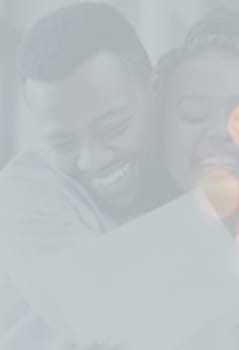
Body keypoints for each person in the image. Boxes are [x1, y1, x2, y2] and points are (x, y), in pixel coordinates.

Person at [0, 3, 173, 349]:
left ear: (156, 90)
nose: (92, 160)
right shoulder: (23, 194)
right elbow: (128, 327)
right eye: (62, 143)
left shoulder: (185, 164)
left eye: (113, 126)